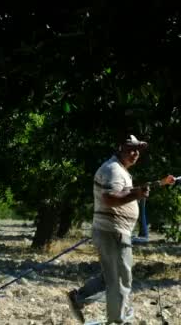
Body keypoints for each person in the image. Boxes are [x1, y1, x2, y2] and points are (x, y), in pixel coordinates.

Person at [67, 135, 175, 324]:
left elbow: (130, 191)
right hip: (113, 231)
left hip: (113, 231)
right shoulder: (113, 170)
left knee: (111, 276)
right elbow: (110, 198)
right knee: (121, 280)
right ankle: (117, 320)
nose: (135, 153)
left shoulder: (119, 170)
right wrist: (136, 194)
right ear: (120, 148)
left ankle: (79, 298)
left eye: (138, 150)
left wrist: (161, 183)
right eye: (131, 149)